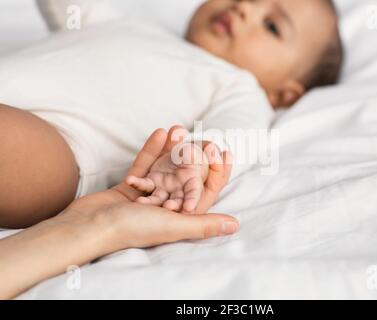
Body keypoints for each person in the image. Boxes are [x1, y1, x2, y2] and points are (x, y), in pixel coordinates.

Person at [0, 0, 343, 228]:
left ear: (284, 92)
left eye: (271, 26)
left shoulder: (240, 88)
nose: (243, 9)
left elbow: (233, 138)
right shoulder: (129, 25)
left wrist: (194, 158)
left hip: (61, 149)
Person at [0, 126, 239, 300]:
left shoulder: (236, 83)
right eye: (279, 90)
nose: (273, 97)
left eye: (279, 94)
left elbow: (227, 139)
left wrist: (195, 153)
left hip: (59, 145)